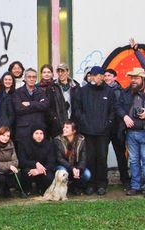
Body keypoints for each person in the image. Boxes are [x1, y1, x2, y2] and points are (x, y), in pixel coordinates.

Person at [117, 67, 145, 198]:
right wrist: (125, 116)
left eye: (136, 78)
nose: (133, 80)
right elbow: (118, 107)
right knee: (133, 161)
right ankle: (135, 186)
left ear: (143, 79)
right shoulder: (126, 92)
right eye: (132, 78)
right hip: (131, 133)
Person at [74, 66, 115, 195]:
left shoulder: (109, 92)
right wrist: (84, 122)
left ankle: (102, 184)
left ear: (102, 77)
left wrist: (108, 123)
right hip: (87, 131)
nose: (93, 77)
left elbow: (112, 111)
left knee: (102, 158)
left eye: (96, 75)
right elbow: (77, 110)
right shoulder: (82, 91)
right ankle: (90, 184)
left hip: (103, 132)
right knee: (89, 158)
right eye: (91, 75)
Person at [103, 68, 130, 189]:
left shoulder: (120, 91)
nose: (107, 77)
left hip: (117, 127)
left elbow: (121, 109)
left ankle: (125, 179)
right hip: (104, 128)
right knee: (103, 154)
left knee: (120, 154)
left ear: (115, 77)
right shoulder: (102, 90)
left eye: (109, 75)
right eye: (105, 76)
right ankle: (103, 179)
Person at [12, 68, 48, 148]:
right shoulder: (17, 92)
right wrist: (37, 105)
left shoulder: (41, 92)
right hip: (23, 130)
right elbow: (19, 109)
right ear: (25, 78)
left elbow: (45, 106)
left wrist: (29, 103)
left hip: (38, 129)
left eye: (34, 77)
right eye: (29, 77)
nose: (32, 79)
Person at [54, 121, 90, 195]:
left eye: (67, 127)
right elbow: (59, 158)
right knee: (62, 171)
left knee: (87, 174)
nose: (64, 129)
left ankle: (75, 187)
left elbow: (83, 158)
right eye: (64, 127)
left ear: (74, 131)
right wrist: (72, 168)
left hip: (76, 167)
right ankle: (62, 189)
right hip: (63, 166)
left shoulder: (81, 140)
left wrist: (79, 169)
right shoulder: (58, 140)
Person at [19, 127, 55, 196]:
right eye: (36, 133)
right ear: (32, 134)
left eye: (41, 133)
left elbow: (51, 162)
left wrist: (40, 170)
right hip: (30, 168)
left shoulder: (48, 145)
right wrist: (35, 164)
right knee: (27, 173)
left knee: (49, 177)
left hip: (43, 169)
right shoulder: (25, 144)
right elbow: (22, 161)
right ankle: (27, 190)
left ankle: (42, 189)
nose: (39, 136)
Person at [46, 63, 80, 137]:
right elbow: (48, 106)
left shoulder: (76, 86)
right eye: (58, 71)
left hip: (72, 123)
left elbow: (79, 105)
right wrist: (54, 118)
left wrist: (77, 118)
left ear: (68, 72)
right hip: (57, 124)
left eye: (63, 71)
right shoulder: (52, 86)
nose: (60, 73)